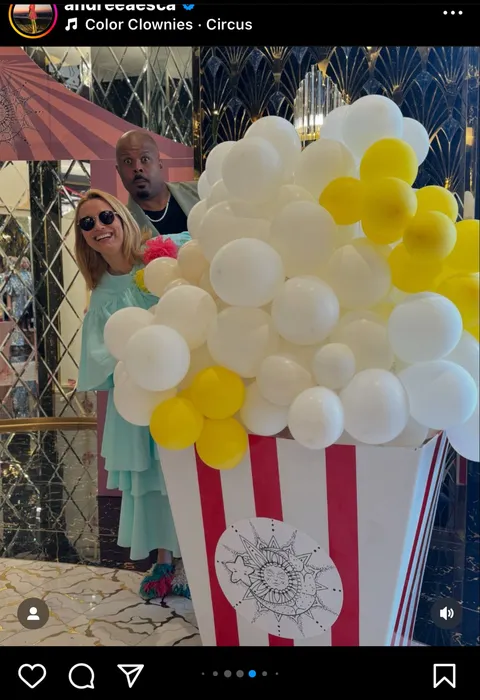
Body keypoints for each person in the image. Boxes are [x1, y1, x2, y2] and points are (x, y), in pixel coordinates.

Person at [75, 188, 189, 602]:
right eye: (87, 223)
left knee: (187, 475)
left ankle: (193, 557)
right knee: (151, 482)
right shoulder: (102, 294)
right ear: (83, 237)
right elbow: (101, 361)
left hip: (184, 392)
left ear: (122, 217)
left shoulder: (163, 254)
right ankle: (165, 559)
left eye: (106, 216)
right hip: (137, 403)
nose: (99, 227)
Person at [115, 130, 199, 240]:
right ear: (118, 170)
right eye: (127, 161)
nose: (137, 168)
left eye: (145, 159)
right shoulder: (122, 226)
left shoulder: (199, 192)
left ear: (159, 163)